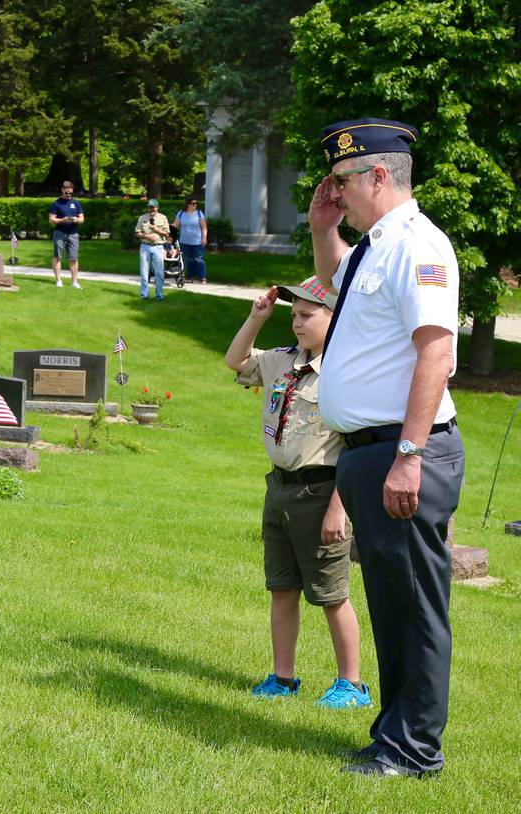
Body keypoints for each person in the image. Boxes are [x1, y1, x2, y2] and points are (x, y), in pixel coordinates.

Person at [309, 118, 465, 778]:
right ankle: (393, 735)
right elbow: (338, 289)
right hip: (371, 452)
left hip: (405, 453)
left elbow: (437, 351)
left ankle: (415, 748)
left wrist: (408, 453)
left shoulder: (419, 245)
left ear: (379, 175)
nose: (335, 191)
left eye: (343, 180)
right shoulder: (377, 246)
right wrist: (324, 231)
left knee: (416, 609)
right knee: (392, 605)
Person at [225, 276, 371, 710]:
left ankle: (352, 684)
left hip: (323, 493)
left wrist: (337, 510)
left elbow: (355, 449)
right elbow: (236, 361)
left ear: (335, 318)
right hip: (280, 489)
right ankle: (283, 676)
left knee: (331, 592)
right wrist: (256, 318)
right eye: (293, 315)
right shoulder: (282, 362)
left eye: (308, 315)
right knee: (282, 587)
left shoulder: (345, 374)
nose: (297, 323)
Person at [48, 181, 84, 288]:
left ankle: (74, 282)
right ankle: (59, 280)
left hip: (73, 233)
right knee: (57, 256)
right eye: (66, 192)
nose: (68, 195)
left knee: (73, 258)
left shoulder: (76, 203)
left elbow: (82, 218)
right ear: (62, 190)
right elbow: (51, 219)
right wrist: (62, 220)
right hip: (59, 232)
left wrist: (76, 220)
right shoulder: (56, 203)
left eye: (70, 193)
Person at [135, 199, 171, 300]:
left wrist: (156, 230)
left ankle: (159, 295)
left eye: (153, 207)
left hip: (158, 247)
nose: (152, 209)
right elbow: (137, 233)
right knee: (144, 272)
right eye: (150, 207)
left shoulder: (163, 218)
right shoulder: (142, 218)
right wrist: (147, 236)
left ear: (157, 207)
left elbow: (167, 234)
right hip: (145, 246)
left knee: (159, 272)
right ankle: (144, 295)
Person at [171, 197, 208, 283]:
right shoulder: (181, 213)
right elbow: (176, 224)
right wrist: (167, 229)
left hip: (197, 241)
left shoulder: (199, 213)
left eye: (196, 203)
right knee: (188, 260)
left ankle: (203, 277)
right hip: (185, 241)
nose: (195, 205)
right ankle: (190, 277)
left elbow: (204, 227)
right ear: (188, 204)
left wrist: (204, 238)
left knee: (198, 259)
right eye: (193, 203)